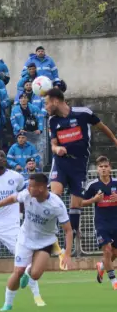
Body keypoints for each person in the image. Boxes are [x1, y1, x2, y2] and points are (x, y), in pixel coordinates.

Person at [0, 173, 73, 311]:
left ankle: (29, 272)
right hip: (25, 238)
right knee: (18, 272)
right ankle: (7, 305)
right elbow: (11, 198)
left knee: (35, 274)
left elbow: (68, 230)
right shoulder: (27, 194)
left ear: (40, 188)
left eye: (31, 186)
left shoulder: (57, 205)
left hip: (45, 241)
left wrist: (68, 254)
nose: (28, 188)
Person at [46, 88, 117, 256]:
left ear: (56, 101)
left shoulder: (83, 113)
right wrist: (57, 149)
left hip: (79, 165)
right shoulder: (52, 120)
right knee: (55, 195)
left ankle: (68, 243)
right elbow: (53, 144)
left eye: (47, 102)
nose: (46, 106)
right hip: (61, 162)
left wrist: (114, 140)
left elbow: (102, 126)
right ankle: (52, 236)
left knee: (75, 205)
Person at [0, 151, 45, 310]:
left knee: (26, 261)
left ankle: (37, 295)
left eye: (2, 156)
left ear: (6, 160)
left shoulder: (16, 177)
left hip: (11, 226)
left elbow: (24, 194)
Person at [82, 156, 117, 290]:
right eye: (101, 167)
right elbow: (80, 202)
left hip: (115, 221)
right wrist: (94, 199)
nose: (103, 169)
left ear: (110, 168)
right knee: (107, 250)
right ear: (97, 169)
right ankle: (114, 280)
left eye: (105, 166)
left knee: (114, 252)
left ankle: (102, 266)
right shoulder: (93, 185)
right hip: (101, 223)